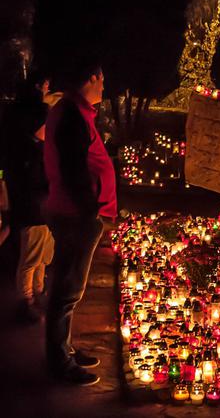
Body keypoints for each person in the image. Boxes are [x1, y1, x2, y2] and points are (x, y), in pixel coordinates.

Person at [43, 62, 116, 386]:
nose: (104, 86)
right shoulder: (72, 115)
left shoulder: (76, 111)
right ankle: (59, 361)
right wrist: (90, 211)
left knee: (69, 287)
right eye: (101, 79)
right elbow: (74, 170)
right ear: (90, 78)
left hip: (76, 213)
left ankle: (65, 349)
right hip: (75, 214)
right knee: (67, 289)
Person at [4, 73, 55, 323]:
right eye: (44, 83)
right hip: (33, 203)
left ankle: (37, 294)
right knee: (31, 255)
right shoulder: (29, 151)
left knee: (42, 255)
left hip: (42, 201)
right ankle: (26, 301)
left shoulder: (36, 148)